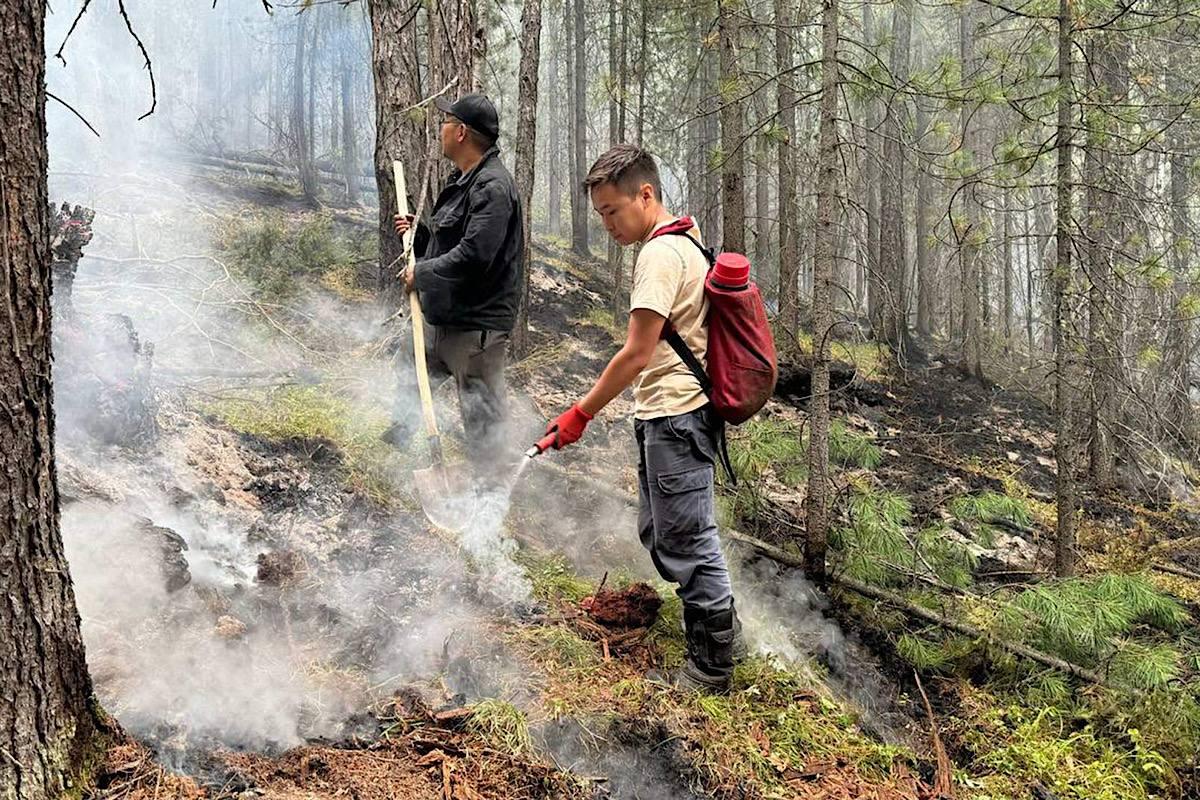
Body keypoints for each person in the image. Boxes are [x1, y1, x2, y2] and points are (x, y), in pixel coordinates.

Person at [543, 144, 744, 693]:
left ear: (645, 194)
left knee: (687, 539)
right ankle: (721, 632)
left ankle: (712, 666)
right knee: (660, 531)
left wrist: (580, 414)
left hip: (677, 415)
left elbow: (635, 353)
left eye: (612, 211)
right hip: (670, 415)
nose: (607, 224)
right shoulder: (687, 241)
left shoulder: (660, 254)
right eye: (600, 215)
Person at [385, 93, 523, 480]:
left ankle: (489, 509)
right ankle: (401, 453)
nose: (440, 130)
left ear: (461, 132)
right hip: (444, 317)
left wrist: (421, 274)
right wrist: (421, 233)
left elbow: (476, 255)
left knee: (483, 424)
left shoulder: (493, 188)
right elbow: (451, 242)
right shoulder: (462, 180)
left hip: (476, 330)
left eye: (446, 123)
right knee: (410, 367)